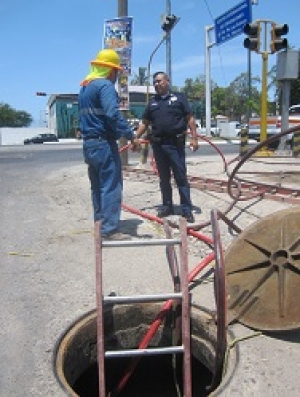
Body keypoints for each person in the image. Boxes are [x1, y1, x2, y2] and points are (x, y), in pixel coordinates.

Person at [78, 48, 140, 239]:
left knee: (97, 187)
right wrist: (131, 136)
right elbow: (113, 115)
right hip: (103, 143)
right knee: (111, 186)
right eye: (116, 72)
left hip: (89, 145)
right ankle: (109, 230)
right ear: (110, 70)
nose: (116, 76)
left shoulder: (85, 87)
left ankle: (99, 224)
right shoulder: (105, 86)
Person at [135, 71, 199, 223]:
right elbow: (145, 122)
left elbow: (190, 118)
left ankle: (186, 209)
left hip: (175, 144)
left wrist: (194, 138)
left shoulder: (179, 98)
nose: (157, 84)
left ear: (167, 81)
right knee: (164, 178)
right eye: (155, 82)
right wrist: (135, 138)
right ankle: (167, 206)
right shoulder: (152, 103)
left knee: (181, 177)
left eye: (159, 81)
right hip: (158, 145)